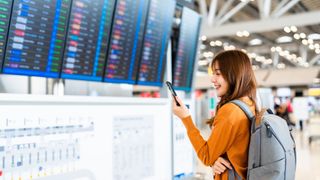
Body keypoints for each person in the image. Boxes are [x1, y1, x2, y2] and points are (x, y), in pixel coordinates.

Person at [172, 50, 257, 180]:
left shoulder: (230, 111)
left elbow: (206, 156)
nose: (213, 79)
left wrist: (185, 118)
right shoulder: (249, 103)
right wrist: (217, 159)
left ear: (233, 74)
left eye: (218, 73)